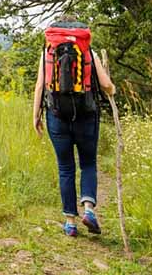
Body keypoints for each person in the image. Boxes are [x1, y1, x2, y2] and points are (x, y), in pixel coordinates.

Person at [31, 16, 116, 237]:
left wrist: (36, 116)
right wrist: (112, 90)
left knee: (65, 167)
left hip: (56, 115)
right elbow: (106, 85)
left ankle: (70, 223)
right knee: (88, 163)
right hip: (87, 115)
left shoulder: (47, 53)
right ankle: (88, 209)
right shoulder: (89, 52)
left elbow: (40, 86)